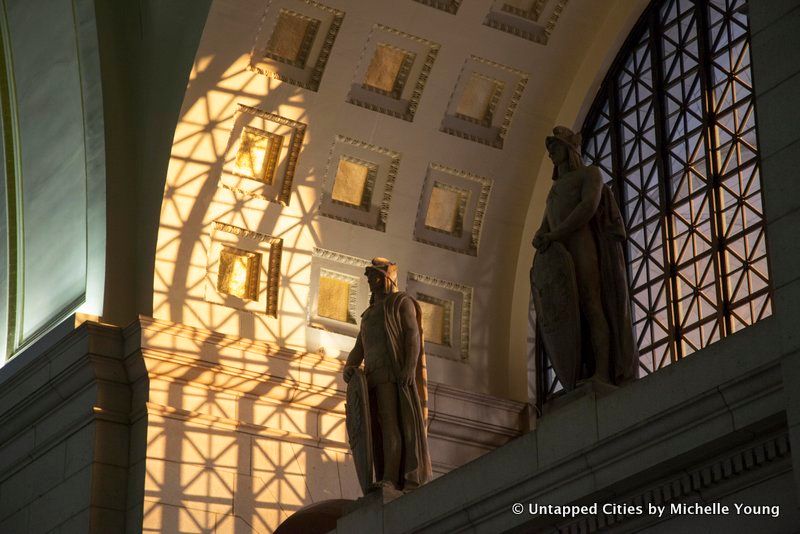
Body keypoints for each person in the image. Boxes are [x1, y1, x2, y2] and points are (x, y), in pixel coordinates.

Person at [532, 126, 637, 386]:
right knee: (572, 313)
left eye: (554, 147)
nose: (550, 154)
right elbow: (546, 222)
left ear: (569, 149)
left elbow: (587, 207)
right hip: (560, 252)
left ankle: (602, 372)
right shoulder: (555, 189)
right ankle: (583, 371)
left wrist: (554, 235)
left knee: (592, 305)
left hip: (582, 246)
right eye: (549, 149)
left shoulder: (590, 174)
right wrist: (542, 235)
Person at [343, 258, 431, 491]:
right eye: (369, 277)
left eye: (374, 276)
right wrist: (349, 366)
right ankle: (383, 474)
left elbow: (412, 335)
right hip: (371, 376)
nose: (370, 281)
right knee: (378, 429)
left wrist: (409, 368)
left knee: (392, 424)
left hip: (392, 375)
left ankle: (392, 477)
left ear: (387, 278)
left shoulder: (401, 303)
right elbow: (360, 347)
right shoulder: (369, 314)